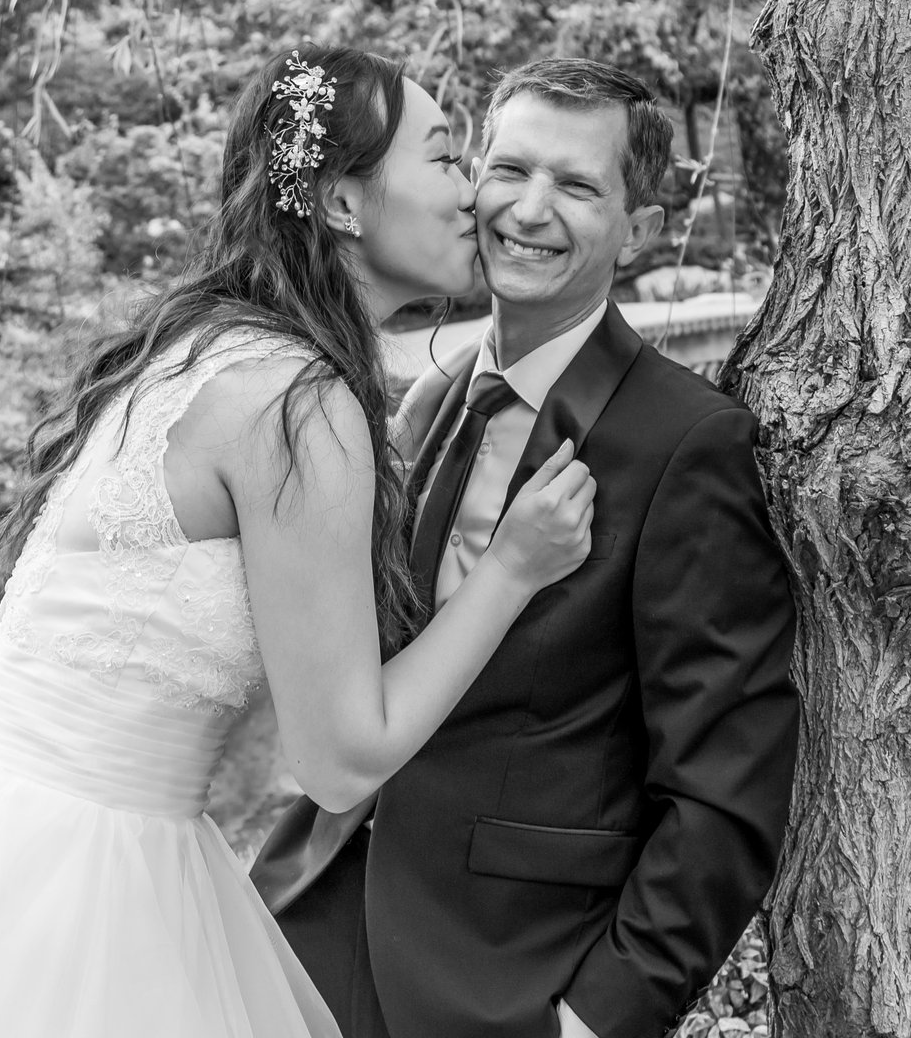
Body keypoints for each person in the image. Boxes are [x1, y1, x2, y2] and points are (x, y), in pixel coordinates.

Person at [0, 46, 598, 1038]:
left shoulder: (197, 349)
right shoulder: (294, 402)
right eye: (444, 158)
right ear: (344, 202)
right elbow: (343, 761)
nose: (475, 193)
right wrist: (512, 568)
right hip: (81, 884)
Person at [252, 58, 800, 1038]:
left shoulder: (687, 444)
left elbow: (724, 792)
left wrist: (592, 1020)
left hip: (503, 983)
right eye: (507, 169)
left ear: (639, 228)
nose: (529, 209)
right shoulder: (430, 398)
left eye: (578, 186)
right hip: (310, 927)